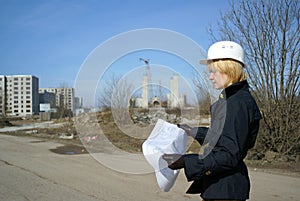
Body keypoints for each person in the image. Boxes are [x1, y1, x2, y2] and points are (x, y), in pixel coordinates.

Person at [162, 41, 262, 201]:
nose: (210, 77)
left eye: (213, 72)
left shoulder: (237, 103)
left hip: (226, 189)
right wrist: (192, 131)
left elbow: (229, 154)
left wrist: (186, 162)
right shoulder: (231, 99)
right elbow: (222, 136)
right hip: (220, 186)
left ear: (227, 68)